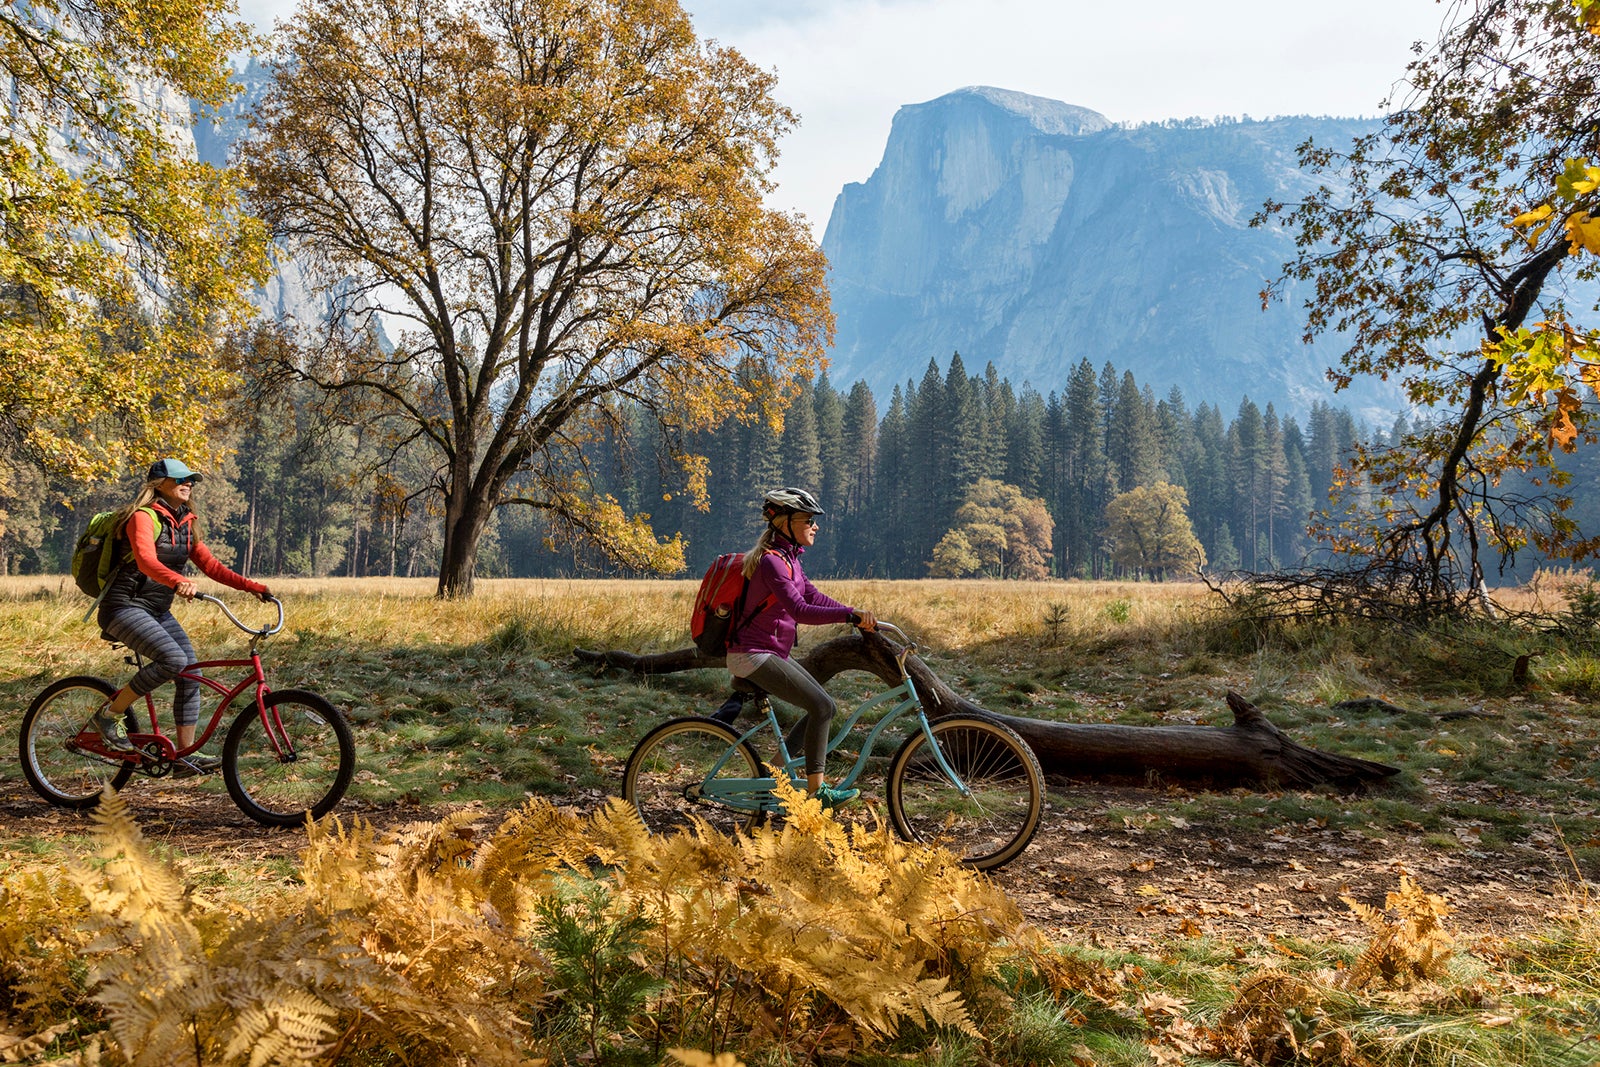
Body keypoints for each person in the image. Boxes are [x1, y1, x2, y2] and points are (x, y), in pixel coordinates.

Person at [87, 458, 271, 776]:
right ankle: (108, 715)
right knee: (173, 660)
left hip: (157, 610)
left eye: (191, 480)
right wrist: (176, 581)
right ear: (160, 483)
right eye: (181, 479)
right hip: (123, 607)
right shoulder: (142, 518)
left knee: (189, 672)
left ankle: (183, 758)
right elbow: (145, 560)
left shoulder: (185, 522)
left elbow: (211, 566)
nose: (188, 483)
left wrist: (251, 586)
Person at [724, 487, 877, 806]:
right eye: (808, 519)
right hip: (751, 655)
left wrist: (856, 615)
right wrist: (849, 615)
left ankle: (773, 776)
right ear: (784, 522)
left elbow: (814, 597)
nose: (815, 525)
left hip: (768, 653)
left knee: (825, 707)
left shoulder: (789, 560)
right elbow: (800, 611)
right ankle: (816, 790)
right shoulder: (772, 563)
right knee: (820, 707)